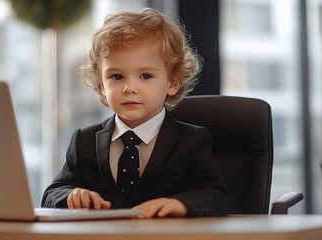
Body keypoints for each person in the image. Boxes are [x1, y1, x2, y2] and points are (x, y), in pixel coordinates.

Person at [41, 7, 230, 218]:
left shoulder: (192, 140)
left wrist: (181, 204)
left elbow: (216, 197)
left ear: (173, 83)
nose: (129, 88)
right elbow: (51, 194)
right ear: (102, 85)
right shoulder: (84, 140)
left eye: (146, 76)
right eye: (116, 77)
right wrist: (71, 195)